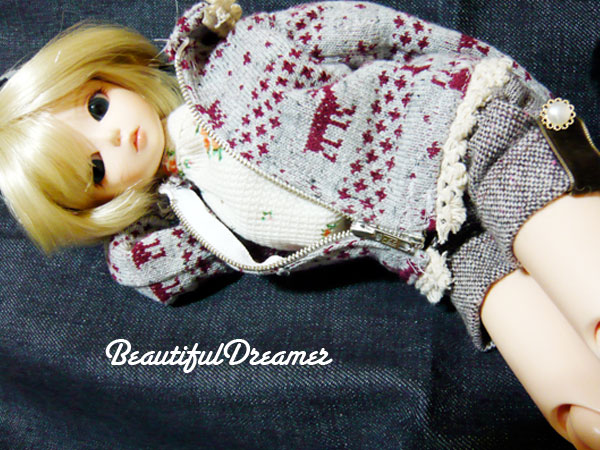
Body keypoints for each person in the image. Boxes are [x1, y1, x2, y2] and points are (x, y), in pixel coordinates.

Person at [0, 1, 598, 447]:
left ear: (109, 71)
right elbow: (154, 275)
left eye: (97, 107)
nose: (114, 138)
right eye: (95, 168)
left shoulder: (241, 55)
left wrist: (498, 78)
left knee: (586, 294)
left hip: (463, 138)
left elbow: (374, 31)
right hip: (435, 249)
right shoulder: (190, 210)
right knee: (571, 406)